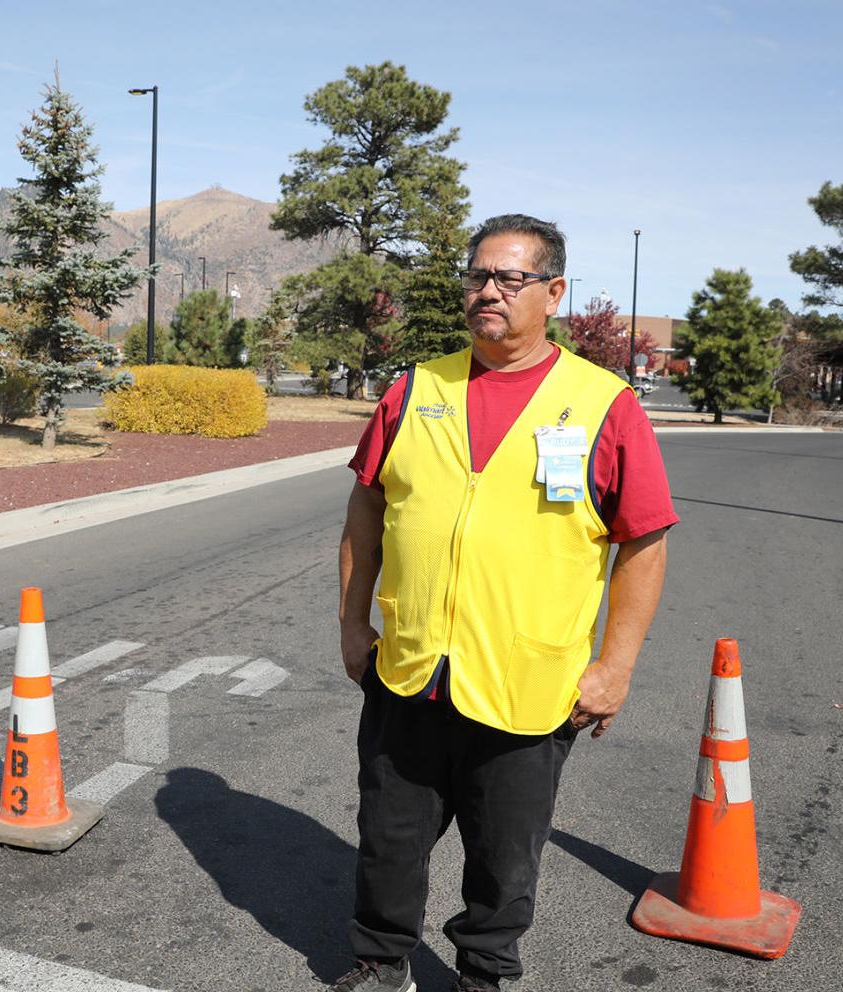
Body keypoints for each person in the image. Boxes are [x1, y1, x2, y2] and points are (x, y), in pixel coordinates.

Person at [329, 214, 675, 991]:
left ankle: (483, 973)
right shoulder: (416, 388)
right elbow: (366, 507)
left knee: (503, 853)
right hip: (412, 667)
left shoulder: (602, 404)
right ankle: (381, 961)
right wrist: (353, 624)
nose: (487, 291)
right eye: (478, 276)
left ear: (552, 293)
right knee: (387, 838)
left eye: (509, 279)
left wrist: (613, 666)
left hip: (526, 681)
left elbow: (643, 543)